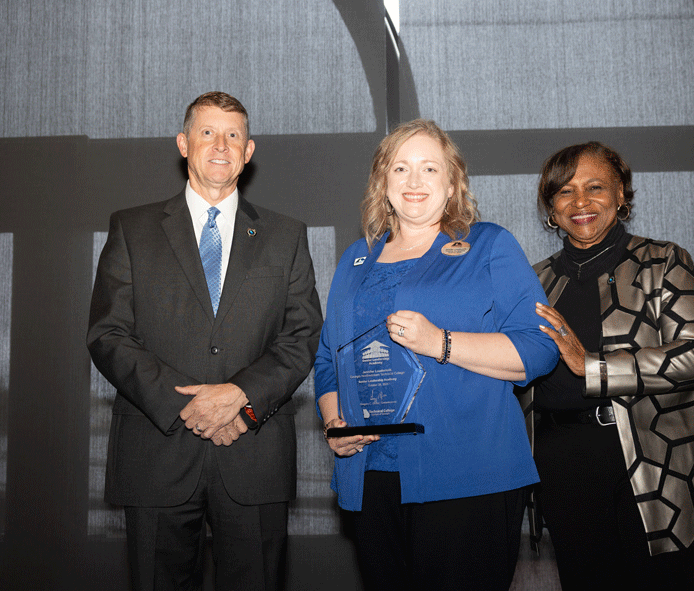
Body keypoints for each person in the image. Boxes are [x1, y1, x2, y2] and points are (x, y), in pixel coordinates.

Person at [87, 91, 322, 591]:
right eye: (208, 132)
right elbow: (108, 334)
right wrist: (188, 407)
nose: (221, 145)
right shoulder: (132, 228)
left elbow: (301, 336)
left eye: (233, 135)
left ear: (249, 150)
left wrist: (239, 397)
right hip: (157, 450)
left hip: (253, 453)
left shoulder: (287, 235)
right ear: (183, 143)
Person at [314, 119, 559, 591]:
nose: (414, 181)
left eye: (430, 168)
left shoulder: (489, 245)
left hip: (467, 475)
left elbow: (540, 346)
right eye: (400, 168)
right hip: (370, 478)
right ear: (383, 184)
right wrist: (333, 424)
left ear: (452, 184)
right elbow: (329, 358)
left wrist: (440, 343)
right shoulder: (355, 259)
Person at [524, 141, 694, 590]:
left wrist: (593, 367)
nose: (580, 202)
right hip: (563, 469)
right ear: (551, 208)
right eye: (564, 192)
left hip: (657, 466)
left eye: (595, 187)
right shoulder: (533, 281)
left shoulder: (664, 261)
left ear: (621, 195)